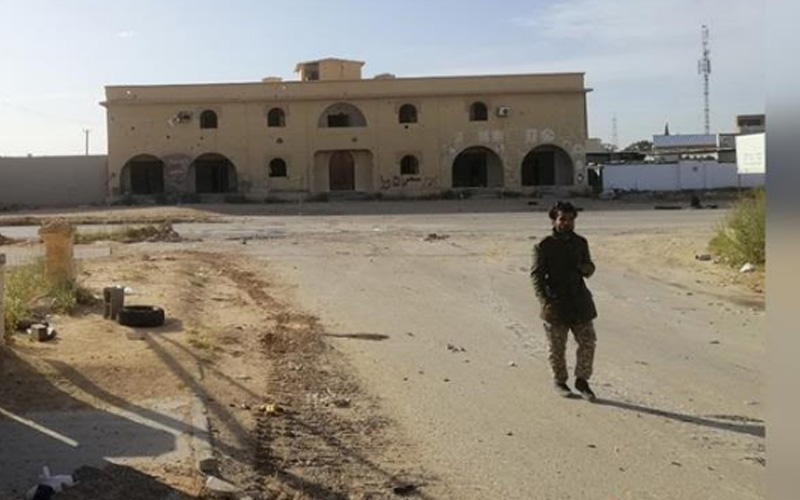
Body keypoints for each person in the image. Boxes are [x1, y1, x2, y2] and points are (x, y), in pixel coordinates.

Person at [530, 201, 598, 401]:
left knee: (588, 342)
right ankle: (560, 381)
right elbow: (536, 276)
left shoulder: (580, 243)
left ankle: (582, 381)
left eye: (570, 219)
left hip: (579, 302)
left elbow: (589, 268)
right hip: (556, 303)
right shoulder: (544, 246)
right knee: (557, 347)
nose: (567, 223)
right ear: (554, 221)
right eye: (562, 219)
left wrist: (584, 268)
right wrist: (544, 300)